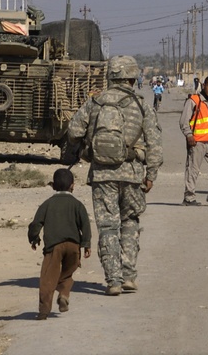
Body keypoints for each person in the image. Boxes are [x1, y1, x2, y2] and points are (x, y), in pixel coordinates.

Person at [67, 55, 163, 296]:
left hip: (102, 175)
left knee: (108, 227)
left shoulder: (95, 102)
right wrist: (151, 174)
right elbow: (154, 143)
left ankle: (113, 280)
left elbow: (73, 131)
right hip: (132, 173)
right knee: (130, 222)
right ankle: (129, 275)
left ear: (111, 75)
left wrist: (87, 148)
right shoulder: (141, 104)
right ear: (132, 77)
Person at [28, 168, 92, 320]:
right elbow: (85, 225)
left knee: (47, 279)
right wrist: (86, 244)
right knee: (67, 273)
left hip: (53, 247)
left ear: (53, 186)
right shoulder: (77, 204)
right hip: (73, 246)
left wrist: (34, 238)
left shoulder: (47, 204)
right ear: (73, 186)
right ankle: (63, 293)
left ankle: (44, 311)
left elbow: (36, 223)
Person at [179, 75, 208, 205]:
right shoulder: (194, 101)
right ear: (204, 85)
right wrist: (189, 136)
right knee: (193, 169)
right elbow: (184, 121)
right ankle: (189, 198)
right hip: (197, 141)